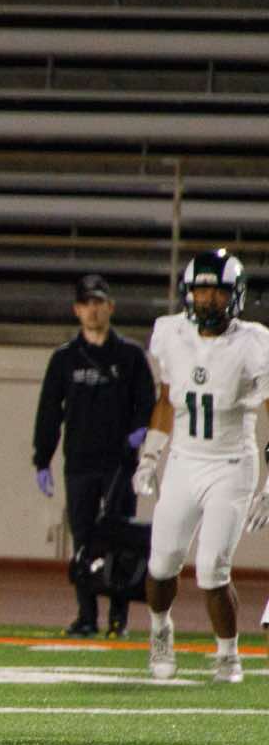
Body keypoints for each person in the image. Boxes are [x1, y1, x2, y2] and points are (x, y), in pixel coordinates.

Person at [134, 249, 269, 684]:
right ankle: (160, 630)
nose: (208, 299)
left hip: (231, 465)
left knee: (212, 569)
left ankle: (228, 654)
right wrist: (150, 455)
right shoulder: (170, 333)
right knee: (161, 564)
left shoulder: (254, 343)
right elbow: (166, 400)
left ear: (236, 295)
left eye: (217, 291)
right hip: (184, 460)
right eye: (201, 290)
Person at [32, 273, 156, 637]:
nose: (93, 310)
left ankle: (119, 618)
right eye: (86, 304)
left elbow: (147, 401)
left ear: (110, 307)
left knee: (121, 540)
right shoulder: (64, 358)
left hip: (120, 463)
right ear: (77, 310)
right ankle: (86, 616)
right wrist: (42, 458)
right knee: (84, 540)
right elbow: (49, 410)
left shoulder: (131, 355)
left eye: (99, 303)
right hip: (80, 462)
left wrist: (140, 433)